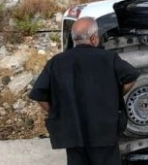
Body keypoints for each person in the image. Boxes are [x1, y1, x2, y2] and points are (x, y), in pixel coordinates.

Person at [29, 17, 140, 165]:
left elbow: (39, 95)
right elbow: (131, 77)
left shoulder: (57, 62)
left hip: (74, 135)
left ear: (74, 39)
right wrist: (115, 96)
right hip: (104, 133)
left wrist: (58, 113)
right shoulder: (108, 58)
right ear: (94, 38)